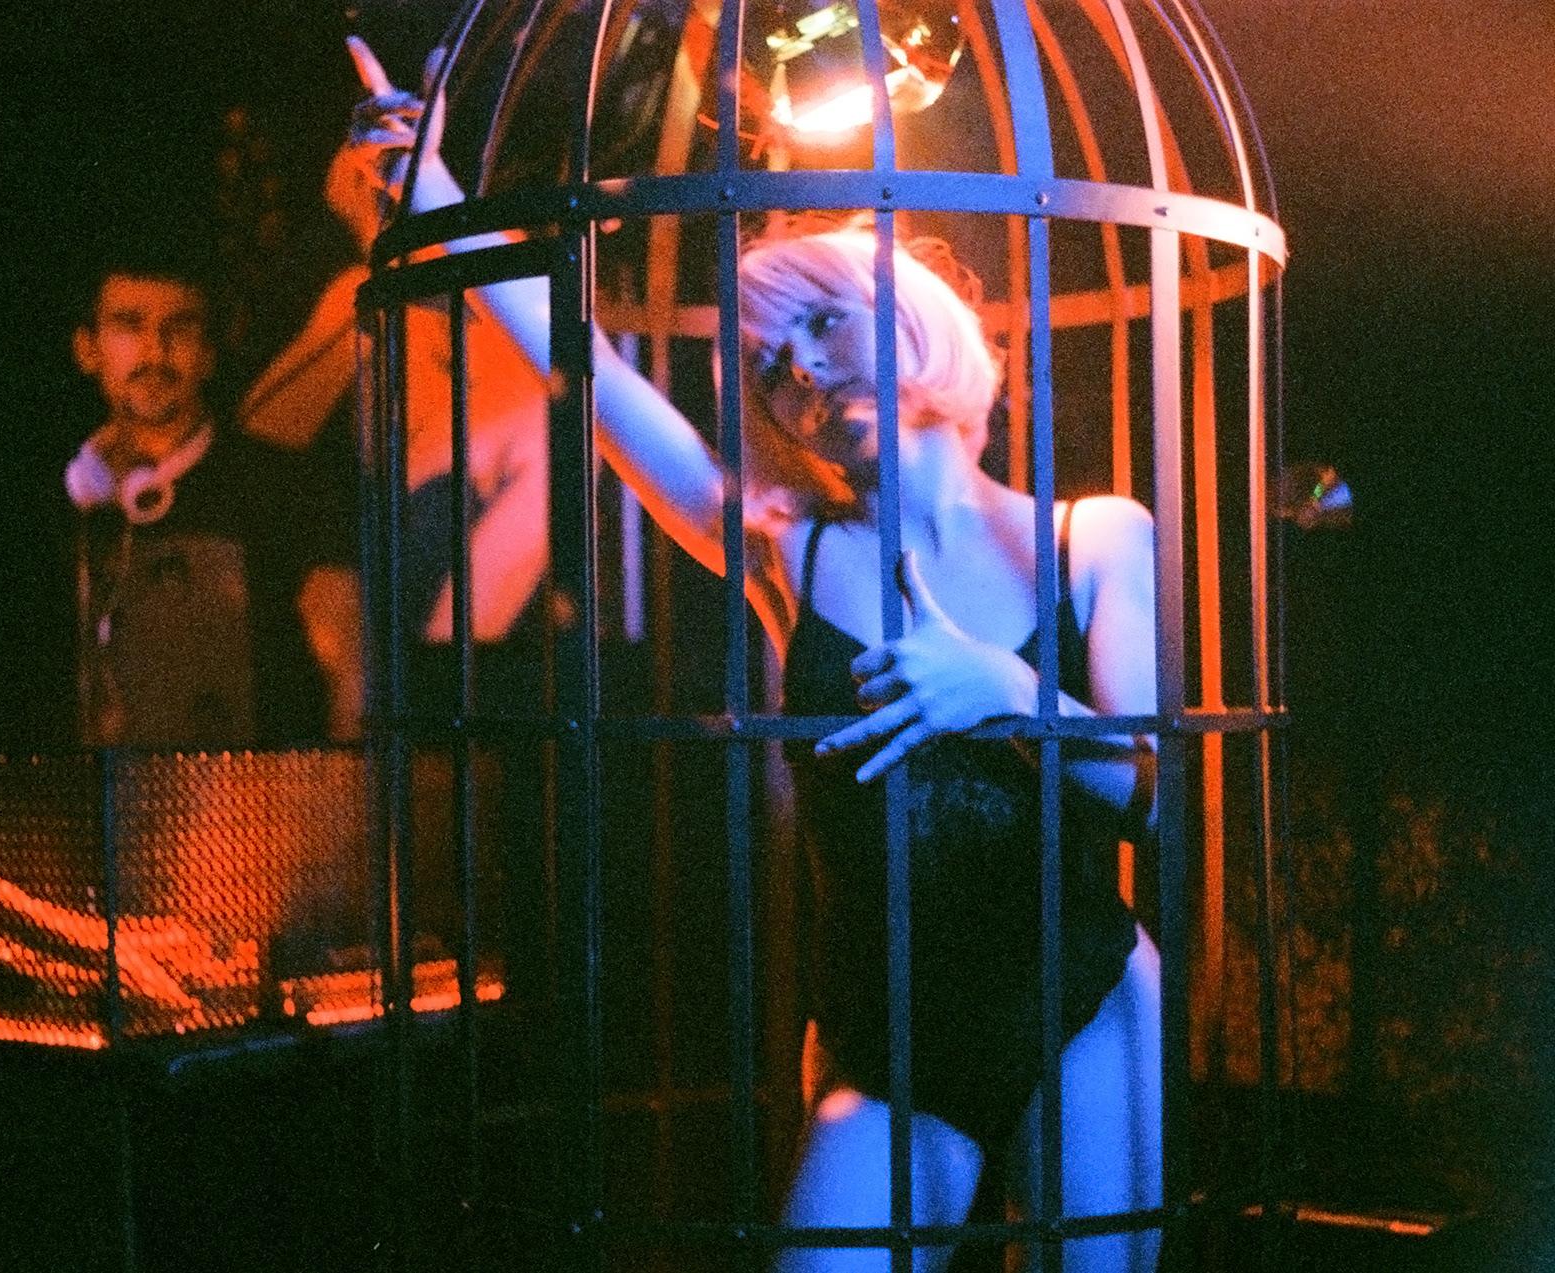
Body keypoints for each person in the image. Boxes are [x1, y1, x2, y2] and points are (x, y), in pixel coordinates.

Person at [346, 38, 1161, 1273]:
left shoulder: (1091, 537)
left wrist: (1005, 695)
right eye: (774, 365)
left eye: (826, 322)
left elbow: (1158, 796)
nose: (804, 368)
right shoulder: (791, 549)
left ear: (915, 319)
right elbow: (587, 369)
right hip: (889, 1026)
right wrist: (437, 196)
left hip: (1081, 999)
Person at [239, 130, 550, 650]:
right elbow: (267, 428)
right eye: (369, 201)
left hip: (483, 532)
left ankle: (447, 660)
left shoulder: (510, 278)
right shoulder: (365, 296)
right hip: (391, 531)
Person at [67, 244, 359, 747]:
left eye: (178, 329)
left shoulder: (290, 489)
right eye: (129, 326)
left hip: (250, 791)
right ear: (88, 350)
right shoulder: (52, 505)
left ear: (207, 354)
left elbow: (351, 678)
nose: (154, 353)